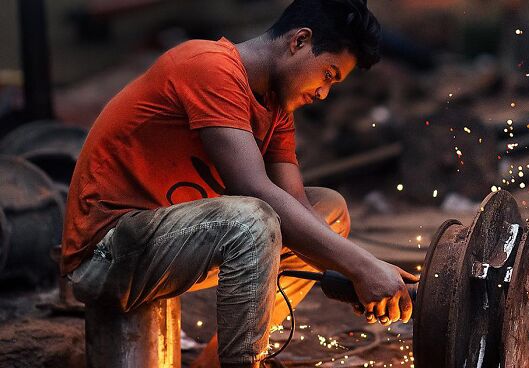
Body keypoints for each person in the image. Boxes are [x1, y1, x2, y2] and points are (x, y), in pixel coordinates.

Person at [60, 0, 418, 367]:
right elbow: (253, 188)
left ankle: (214, 363)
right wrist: (363, 267)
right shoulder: (208, 65)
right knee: (251, 219)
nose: (323, 93)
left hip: (170, 248)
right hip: (107, 252)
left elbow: (296, 210)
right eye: (328, 74)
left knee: (327, 212)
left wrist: (366, 273)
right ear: (300, 41)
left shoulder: (277, 107)